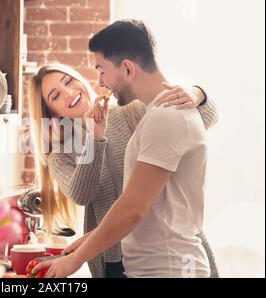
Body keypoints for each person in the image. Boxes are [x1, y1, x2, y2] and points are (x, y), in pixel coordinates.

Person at [30, 20, 218, 278]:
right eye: (55, 96)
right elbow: (83, 194)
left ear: (127, 69)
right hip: (117, 254)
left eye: (68, 81)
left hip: (165, 256)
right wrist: (95, 139)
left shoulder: (135, 111)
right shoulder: (61, 152)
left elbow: (198, 120)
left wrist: (196, 93)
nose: (68, 92)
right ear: (53, 113)